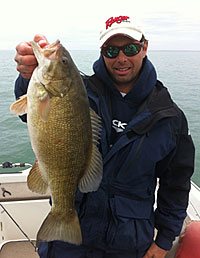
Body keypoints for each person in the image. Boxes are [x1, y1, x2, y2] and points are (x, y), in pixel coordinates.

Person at [14, 15, 195, 258]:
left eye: (130, 48)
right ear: (102, 52)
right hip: (69, 247)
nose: (121, 58)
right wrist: (27, 78)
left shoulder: (169, 118)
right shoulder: (80, 92)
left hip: (129, 244)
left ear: (145, 48)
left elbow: (176, 185)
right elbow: (32, 116)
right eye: (111, 50)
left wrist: (163, 241)